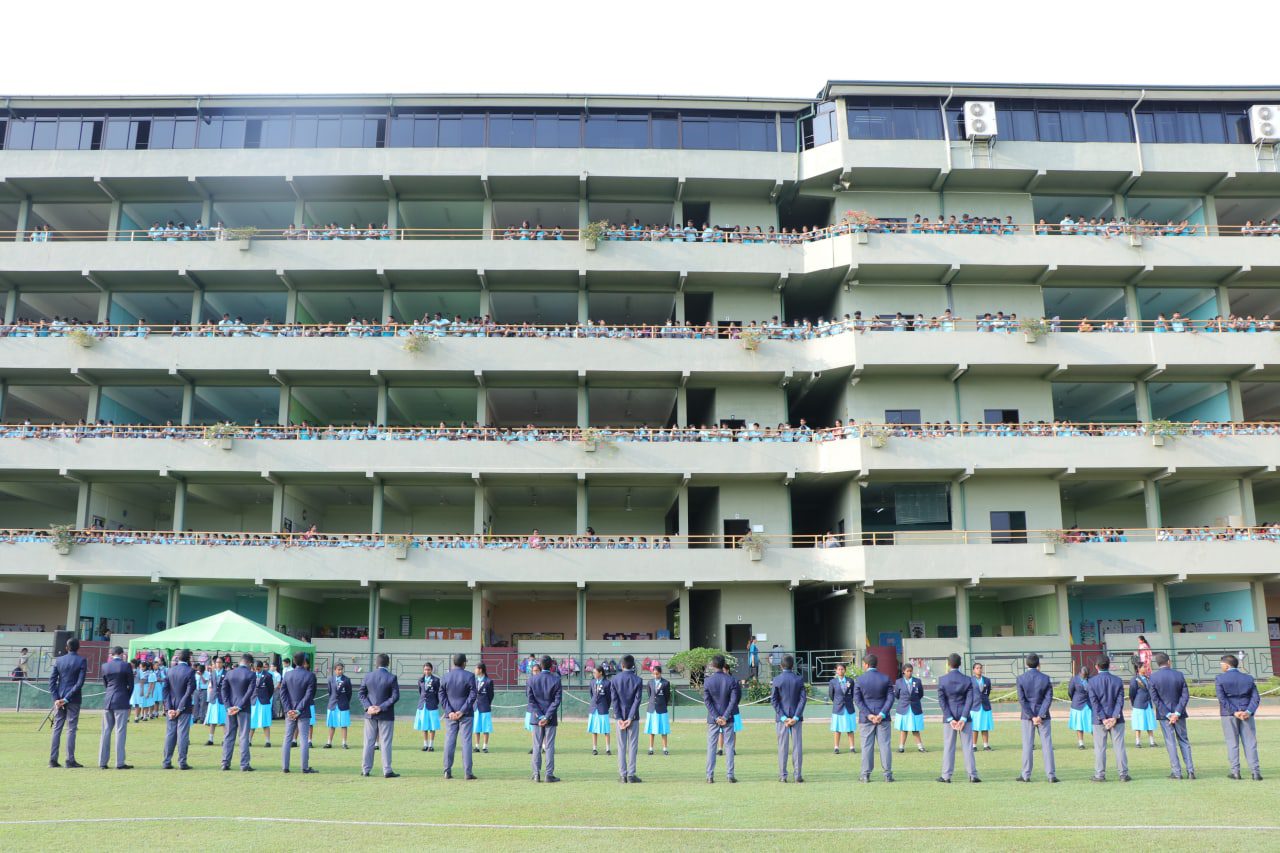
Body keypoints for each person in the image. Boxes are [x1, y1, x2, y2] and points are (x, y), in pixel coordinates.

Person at [1216, 654, 1262, 781]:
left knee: (1232, 743)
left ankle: (1235, 772)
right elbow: (1256, 698)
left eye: (1221, 665)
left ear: (1226, 665)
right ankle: (1255, 773)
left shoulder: (1220, 678)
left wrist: (1234, 711)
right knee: (1250, 743)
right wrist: (1248, 711)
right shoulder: (1248, 678)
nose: (1221, 667)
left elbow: (1222, 698)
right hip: (1246, 714)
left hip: (1228, 714)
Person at [1149, 652, 1194, 779]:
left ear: (1157, 664)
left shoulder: (1153, 677)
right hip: (1179, 714)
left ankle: (1177, 772)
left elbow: (1155, 699)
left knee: (1171, 742)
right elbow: (1185, 695)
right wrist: (1177, 712)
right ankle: (1190, 771)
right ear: (1169, 662)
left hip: (1165, 716)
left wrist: (1169, 714)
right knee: (1184, 741)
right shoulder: (1179, 675)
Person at [937, 653, 980, 783]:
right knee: (968, 747)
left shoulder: (942, 679)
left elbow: (942, 701)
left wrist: (950, 718)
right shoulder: (968, 680)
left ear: (948, 664)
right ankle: (972, 775)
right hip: (965, 717)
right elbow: (970, 699)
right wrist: (963, 718)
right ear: (960, 664)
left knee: (948, 746)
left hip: (949, 717)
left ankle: (946, 776)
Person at [1086, 655, 1130, 782]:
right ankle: (1123, 774)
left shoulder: (1092, 682)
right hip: (1116, 719)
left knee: (1100, 748)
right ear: (1109, 665)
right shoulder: (1117, 680)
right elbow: (1120, 701)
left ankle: (1100, 775)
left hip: (1099, 720)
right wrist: (1114, 717)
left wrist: (1103, 718)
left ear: (1096, 667)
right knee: (1119, 747)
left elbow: (1094, 702)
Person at [1015, 653, 1056, 783]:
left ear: (1026, 664)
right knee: (1047, 745)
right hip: (1043, 716)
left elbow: (1022, 700)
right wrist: (1040, 715)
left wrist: (1032, 716)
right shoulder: (1045, 678)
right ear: (1039, 664)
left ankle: (1026, 775)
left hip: (1027, 716)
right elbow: (1048, 698)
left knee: (1027, 745)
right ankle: (1051, 775)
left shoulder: (1021, 678)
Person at [853, 653, 894, 783]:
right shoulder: (885, 678)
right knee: (885, 746)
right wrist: (881, 714)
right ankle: (887, 774)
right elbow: (890, 698)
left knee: (866, 747)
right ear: (876, 664)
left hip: (866, 719)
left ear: (865, 664)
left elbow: (857, 700)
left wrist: (869, 714)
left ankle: (865, 775)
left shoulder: (860, 680)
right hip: (883, 718)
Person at [359, 653, 400, 778]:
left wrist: (368, 707)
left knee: (368, 742)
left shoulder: (368, 676)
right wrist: (381, 707)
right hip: (386, 714)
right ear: (388, 663)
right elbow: (395, 696)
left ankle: (366, 769)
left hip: (370, 714)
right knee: (386, 742)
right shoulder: (392, 677)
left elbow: (361, 694)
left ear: (376, 663)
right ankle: (387, 770)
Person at [48, 637, 87, 768]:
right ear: (78, 647)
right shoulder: (81, 660)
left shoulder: (59, 660)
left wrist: (57, 699)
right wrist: (66, 698)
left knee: (57, 728)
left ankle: (53, 759)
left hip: (60, 697)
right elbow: (79, 683)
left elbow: (52, 681)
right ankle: (69, 759)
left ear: (66, 647)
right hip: (73, 698)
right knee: (71, 729)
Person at [440, 653, 478, 780]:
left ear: (453, 662)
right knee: (466, 742)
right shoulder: (470, 676)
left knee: (449, 741)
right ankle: (467, 772)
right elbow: (473, 695)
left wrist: (449, 711)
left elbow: (442, 696)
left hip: (450, 715)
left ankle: (446, 770)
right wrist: (462, 711)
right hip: (466, 714)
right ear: (464, 663)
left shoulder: (445, 676)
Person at [770, 654, 806, 783]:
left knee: (782, 747)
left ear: (781, 666)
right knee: (797, 747)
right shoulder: (799, 679)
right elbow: (803, 700)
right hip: (796, 718)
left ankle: (783, 776)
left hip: (782, 719)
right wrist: (795, 717)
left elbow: (774, 701)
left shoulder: (777, 680)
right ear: (793, 666)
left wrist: (784, 717)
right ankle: (797, 775)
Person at [279, 652, 317, 774]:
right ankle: (304, 767)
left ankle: (285, 766)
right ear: (304, 661)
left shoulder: (287, 675)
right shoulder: (310, 675)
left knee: (288, 738)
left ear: (294, 662)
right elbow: (309, 695)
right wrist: (298, 709)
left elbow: (283, 693)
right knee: (304, 739)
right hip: (303, 711)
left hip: (290, 711)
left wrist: (288, 709)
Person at [703, 654, 738, 783]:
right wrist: (725, 716)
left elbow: (707, 702)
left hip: (713, 719)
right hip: (727, 718)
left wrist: (716, 716)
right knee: (729, 746)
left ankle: (709, 776)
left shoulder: (708, 681)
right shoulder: (731, 680)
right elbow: (734, 700)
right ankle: (730, 775)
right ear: (724, 665)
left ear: (712, 665)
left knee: (711, 746)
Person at [219, 653, 257, 772]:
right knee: (243, 736)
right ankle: (244, 764)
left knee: (228, 736)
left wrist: (228, 706)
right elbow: (249, 692)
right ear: (250, 663)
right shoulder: (251, 674)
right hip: (244, 709)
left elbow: (223, 690)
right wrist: (239, 706)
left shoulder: (229, 673)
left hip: (230, 709)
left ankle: (225, 762)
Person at [527, 655, 562, 782]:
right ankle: (549, 774)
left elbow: (530, 701)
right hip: (550, 718)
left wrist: (540, 715)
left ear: (540, 665)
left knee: (536, 746)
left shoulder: (532, 680)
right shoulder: (556, 679)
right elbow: (557, 700)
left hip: (537, 718)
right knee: (549, 746)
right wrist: (547, 716)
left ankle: (536, 774)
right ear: (551, 665)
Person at [98, 645, 133, 770]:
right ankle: (119, 762)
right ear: (122, 654)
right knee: (120, 731)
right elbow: (131, 685)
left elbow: (105, 684)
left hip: (108, 700)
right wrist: (127, 698)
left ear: (111, 654)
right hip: (121, 699)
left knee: (106, 731)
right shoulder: (126, 666)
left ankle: (102, 762)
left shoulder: (105, 666)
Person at [610, 654, 644, 783]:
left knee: (621, 746)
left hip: (620, 717)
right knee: (633, 745)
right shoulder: (638, 680)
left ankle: (623, 775)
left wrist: (618, 717)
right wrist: (630, 717)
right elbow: (637, 700)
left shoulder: (615, 679)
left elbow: (614, 700)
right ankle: (631, 774)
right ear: (633, 665)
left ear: (622, 665)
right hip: (633, 717)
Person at [162, 649, 195, 771]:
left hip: (172, 706)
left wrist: (169, 708)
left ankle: (166, 761)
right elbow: (189, 691)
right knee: (183, 735)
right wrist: (180, 708)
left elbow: (165, 690)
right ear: (188, 658)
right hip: (184, 707)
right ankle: (182, 762)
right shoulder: (190, 671)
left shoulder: (170, 670)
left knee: (170, 734)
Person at [892, 662, 926, 753]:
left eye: (911, 671)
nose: (909, 673)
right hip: (903, 708)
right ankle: (901, 747)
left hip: (915, 708)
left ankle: (920, 747)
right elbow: (897, 695)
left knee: (915, 729)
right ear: (903, 672)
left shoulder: (917, 681)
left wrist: (913, 701)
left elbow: (920, 694)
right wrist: (905, 701)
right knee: (904, 729)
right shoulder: (898, 682)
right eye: (908, 671)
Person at [828, 662, 857, 754]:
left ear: (845, 670)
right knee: (837, 729)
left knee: (850, 729)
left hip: (849, 708)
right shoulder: (833, 682)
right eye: (839, 669)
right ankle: (836, 747)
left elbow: (853, 694)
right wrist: (838, 702)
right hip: (838, 708)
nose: (840, 671)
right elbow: (831, 695)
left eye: (842, 669)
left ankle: (852, 747)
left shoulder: (850, 681)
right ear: (836, 670)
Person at [414, 662, 442, 752]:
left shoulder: (436, 680)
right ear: (423, 670)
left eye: (428, 669)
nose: (427, 671)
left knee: (432, 726)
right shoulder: (420, 680)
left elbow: (438, 693)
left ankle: (431, 745)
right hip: (422, 706)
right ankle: (425, 744)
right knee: (424, 726)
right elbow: (420, 692)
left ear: (431, 670)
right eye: (425, 669)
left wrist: (435, 702)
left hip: (432, 705)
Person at [1129, 660, 1157, 748]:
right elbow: (1131, 693)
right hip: (1138, 704)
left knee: (1150, 723)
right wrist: (1134, 703)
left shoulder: (1148, 678)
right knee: (1138, 724)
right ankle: (1138, 742)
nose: (1145, 668)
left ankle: (1152, 741)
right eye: (1143, 667)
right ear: (1138, 669)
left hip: (1148, 704)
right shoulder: (1134, 680)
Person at [645, 664, 671, 756]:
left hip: (662, 709)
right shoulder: (650, 682)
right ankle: (651, 749)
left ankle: (665, 749)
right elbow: (650, 695)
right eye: (654, 674)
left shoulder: (666, 683)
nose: (656, 676)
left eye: (657, 674)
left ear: (660, 673)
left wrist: (662, 704)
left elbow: (667, 696)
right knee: (652, 730)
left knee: (664, 730)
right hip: (652, 709)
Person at [324, 663, 352, 749]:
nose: (340, 671)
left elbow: (349, 693)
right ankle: (329, 742)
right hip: (332, 704)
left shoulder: (346, 680)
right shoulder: (330, 679)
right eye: (338, 669)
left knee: (343, 724)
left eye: (341, 669)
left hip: (343, 704)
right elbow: (330, 692)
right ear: (335, 670)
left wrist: (345, 701)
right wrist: (333, 700)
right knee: (332, 724)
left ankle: (344, 743)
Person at [587, 665, 612, 756]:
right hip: (594, 709)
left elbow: (609, 698)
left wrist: (606, 706)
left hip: (603, 708)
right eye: (593, 672)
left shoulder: (607, 683)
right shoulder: (592, 682)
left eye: (595, 672)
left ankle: (608, 749)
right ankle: (594, 748)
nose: (593, 674)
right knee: (594, 730)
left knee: (606, 730)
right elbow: (591, 694)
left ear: (600, 672)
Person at [249, 660, 275, 748]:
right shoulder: (251, 675)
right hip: (254, 700)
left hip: (264, 701)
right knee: (252, 721)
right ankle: (249, 740)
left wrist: (266, 697)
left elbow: (271, 689)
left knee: (265, 722)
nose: (257, 670)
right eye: (255, 669)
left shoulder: (268, 676)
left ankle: (268, 741)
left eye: (258, 669)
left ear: (262, 667)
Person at [1067, 662, 1093, 749]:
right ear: (1080, 673)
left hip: (1089, 705)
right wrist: (1074, 700)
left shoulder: (1091, 679)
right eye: (1083, 675)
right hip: (1078, 705)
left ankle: (1098, 741)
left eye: (1086, 675)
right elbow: (1070, 692)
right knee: (1079, 725)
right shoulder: (1074, 679)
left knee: (1093, 724)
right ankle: (1081, 743)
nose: (1085, 676)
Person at [970, 662, 993, 751]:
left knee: (985, 726)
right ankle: (973, 746)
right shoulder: (970, 680)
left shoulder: (987, 680)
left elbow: (988, 693)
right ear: (973, 670)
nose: (979, 669)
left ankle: (986, 745)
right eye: (977, 668)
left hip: (985, 706)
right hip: (974, 706)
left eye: (980, 668)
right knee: (974, 727)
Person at [204, 656, 226, 744]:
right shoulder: (212, 673)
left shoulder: (226, 673)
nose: (218, 664)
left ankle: (225, 739)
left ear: (223, 663)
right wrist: (210, 697)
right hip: (213, 698)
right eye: (217, 662)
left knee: (224, 720)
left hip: (222, 699)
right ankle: (210, 739)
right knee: (212, 720)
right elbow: (211, 685)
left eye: (220, 662)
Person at [472, 662, 494, 753]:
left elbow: (491, 695)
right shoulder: (474, 681)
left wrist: (486, 703)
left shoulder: (488, 681)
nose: (475, 670)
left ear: (480, 669)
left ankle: (485, 746)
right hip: (476, 707)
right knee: (476, 727)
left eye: (476, 668)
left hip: (485, 707)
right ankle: (476, 746)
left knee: (486, 727)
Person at [524, 661, 542, 754]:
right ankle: (535, 746)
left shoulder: (543, 680)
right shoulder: (529, 681)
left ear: (540, 671)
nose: (535, 672)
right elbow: (527, 694)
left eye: (537, 671)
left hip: (542, 708)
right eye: (534, 671)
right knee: (533, 729)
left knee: (543, 728)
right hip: (531, 708)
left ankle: (544, 746)